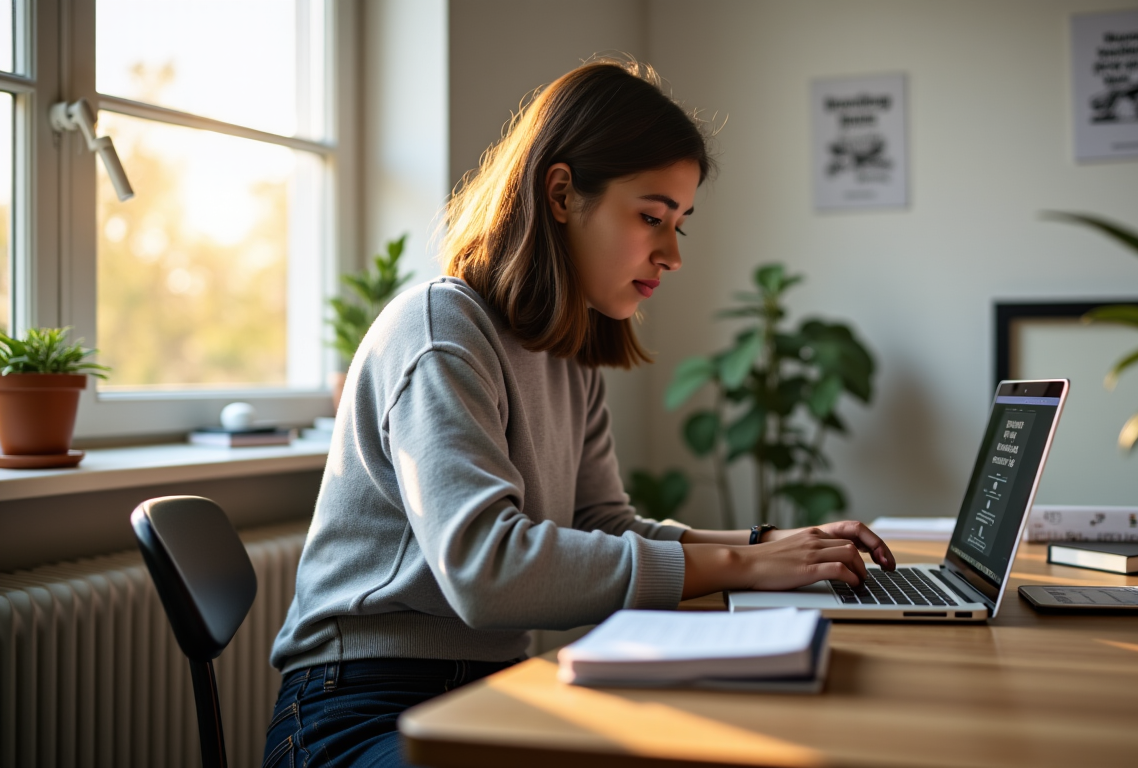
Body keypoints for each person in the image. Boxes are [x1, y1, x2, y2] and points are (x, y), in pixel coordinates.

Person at [264, 58, 895, 768]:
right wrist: (741, 565)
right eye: (652, 217)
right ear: (561, 193)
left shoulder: (567, 349)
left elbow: (605, 525)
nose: (673, 254)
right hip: (357, 712)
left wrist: (771, 545)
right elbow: (487, 570)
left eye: (680, 223)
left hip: (486, 690)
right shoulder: (440, 330)